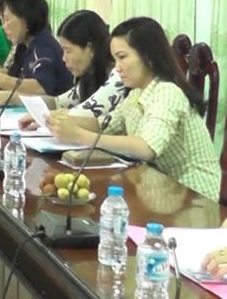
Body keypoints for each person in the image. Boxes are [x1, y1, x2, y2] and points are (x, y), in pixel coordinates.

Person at [46, 17, 221, 201]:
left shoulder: (167, 92)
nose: (117, 68)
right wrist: (62, 120)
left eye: (122, 57)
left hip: (195, 197)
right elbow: (103, 125)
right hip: (159, 190)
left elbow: (146, 147)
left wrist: (78, 135)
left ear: (149, 56)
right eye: (114, 59)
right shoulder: (136, 93)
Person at [0, 10, 128, 128]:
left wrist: (48, 118)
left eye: (68, 51)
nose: (63, 58)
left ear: (90, 49)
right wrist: (9, 97)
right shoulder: (90, 75)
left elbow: (83, 113)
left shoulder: (119, 75)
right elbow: (57, 102)